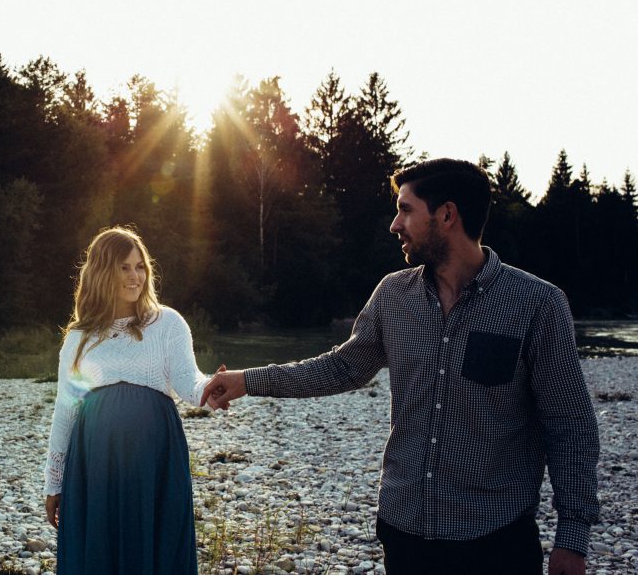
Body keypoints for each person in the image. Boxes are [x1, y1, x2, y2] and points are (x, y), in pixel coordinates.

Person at [201, 158, 600, 575]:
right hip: (405, 534)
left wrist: (572, 539)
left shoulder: (537, 304)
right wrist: (247, 381)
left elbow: (570, 424)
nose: (395, 224)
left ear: (446, 215)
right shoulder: (393, 296)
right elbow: (342, 368)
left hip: (495, 540)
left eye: (405, 209)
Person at [43, 226, 211, 574]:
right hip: (95, 460)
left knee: (155, 542)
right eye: (124, 267)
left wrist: (213, 389)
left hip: (155, 454)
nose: (135, 276)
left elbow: (188, 381)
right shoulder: (80, 338)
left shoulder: (167, 324)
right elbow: (65, 411)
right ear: (103, 272)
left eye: (140, 266)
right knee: (99, 546)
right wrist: (54, 483)